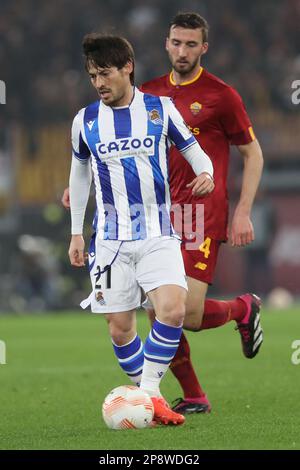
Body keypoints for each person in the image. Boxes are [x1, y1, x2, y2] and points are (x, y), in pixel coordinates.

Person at [63, 11, 264, 415]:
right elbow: (83, 165)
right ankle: (183, 395)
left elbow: (242, 152)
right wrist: (77, 221)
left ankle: (237, 314)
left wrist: (236, 204)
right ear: (165, 44)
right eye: (176, 42)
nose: (182, 50)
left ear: (203, 47)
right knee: (139, 321)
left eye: (191, 43)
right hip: (122, 231)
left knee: (177, 310)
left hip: (185, 217)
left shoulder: (213, 96)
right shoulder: (108, 110)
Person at [68, 33, 214, 425]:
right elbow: (79, 174)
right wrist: (76, 233)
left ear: (127, 67)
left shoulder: (160, 109)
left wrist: (207, 173)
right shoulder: (85, 121)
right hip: (110, 240)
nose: (99, 83)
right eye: (92, 76)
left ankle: (148, 395)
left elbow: (194, 150)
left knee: (172, 308)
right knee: (120, 331)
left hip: (157, 233)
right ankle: (156, 397)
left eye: (105, 73)